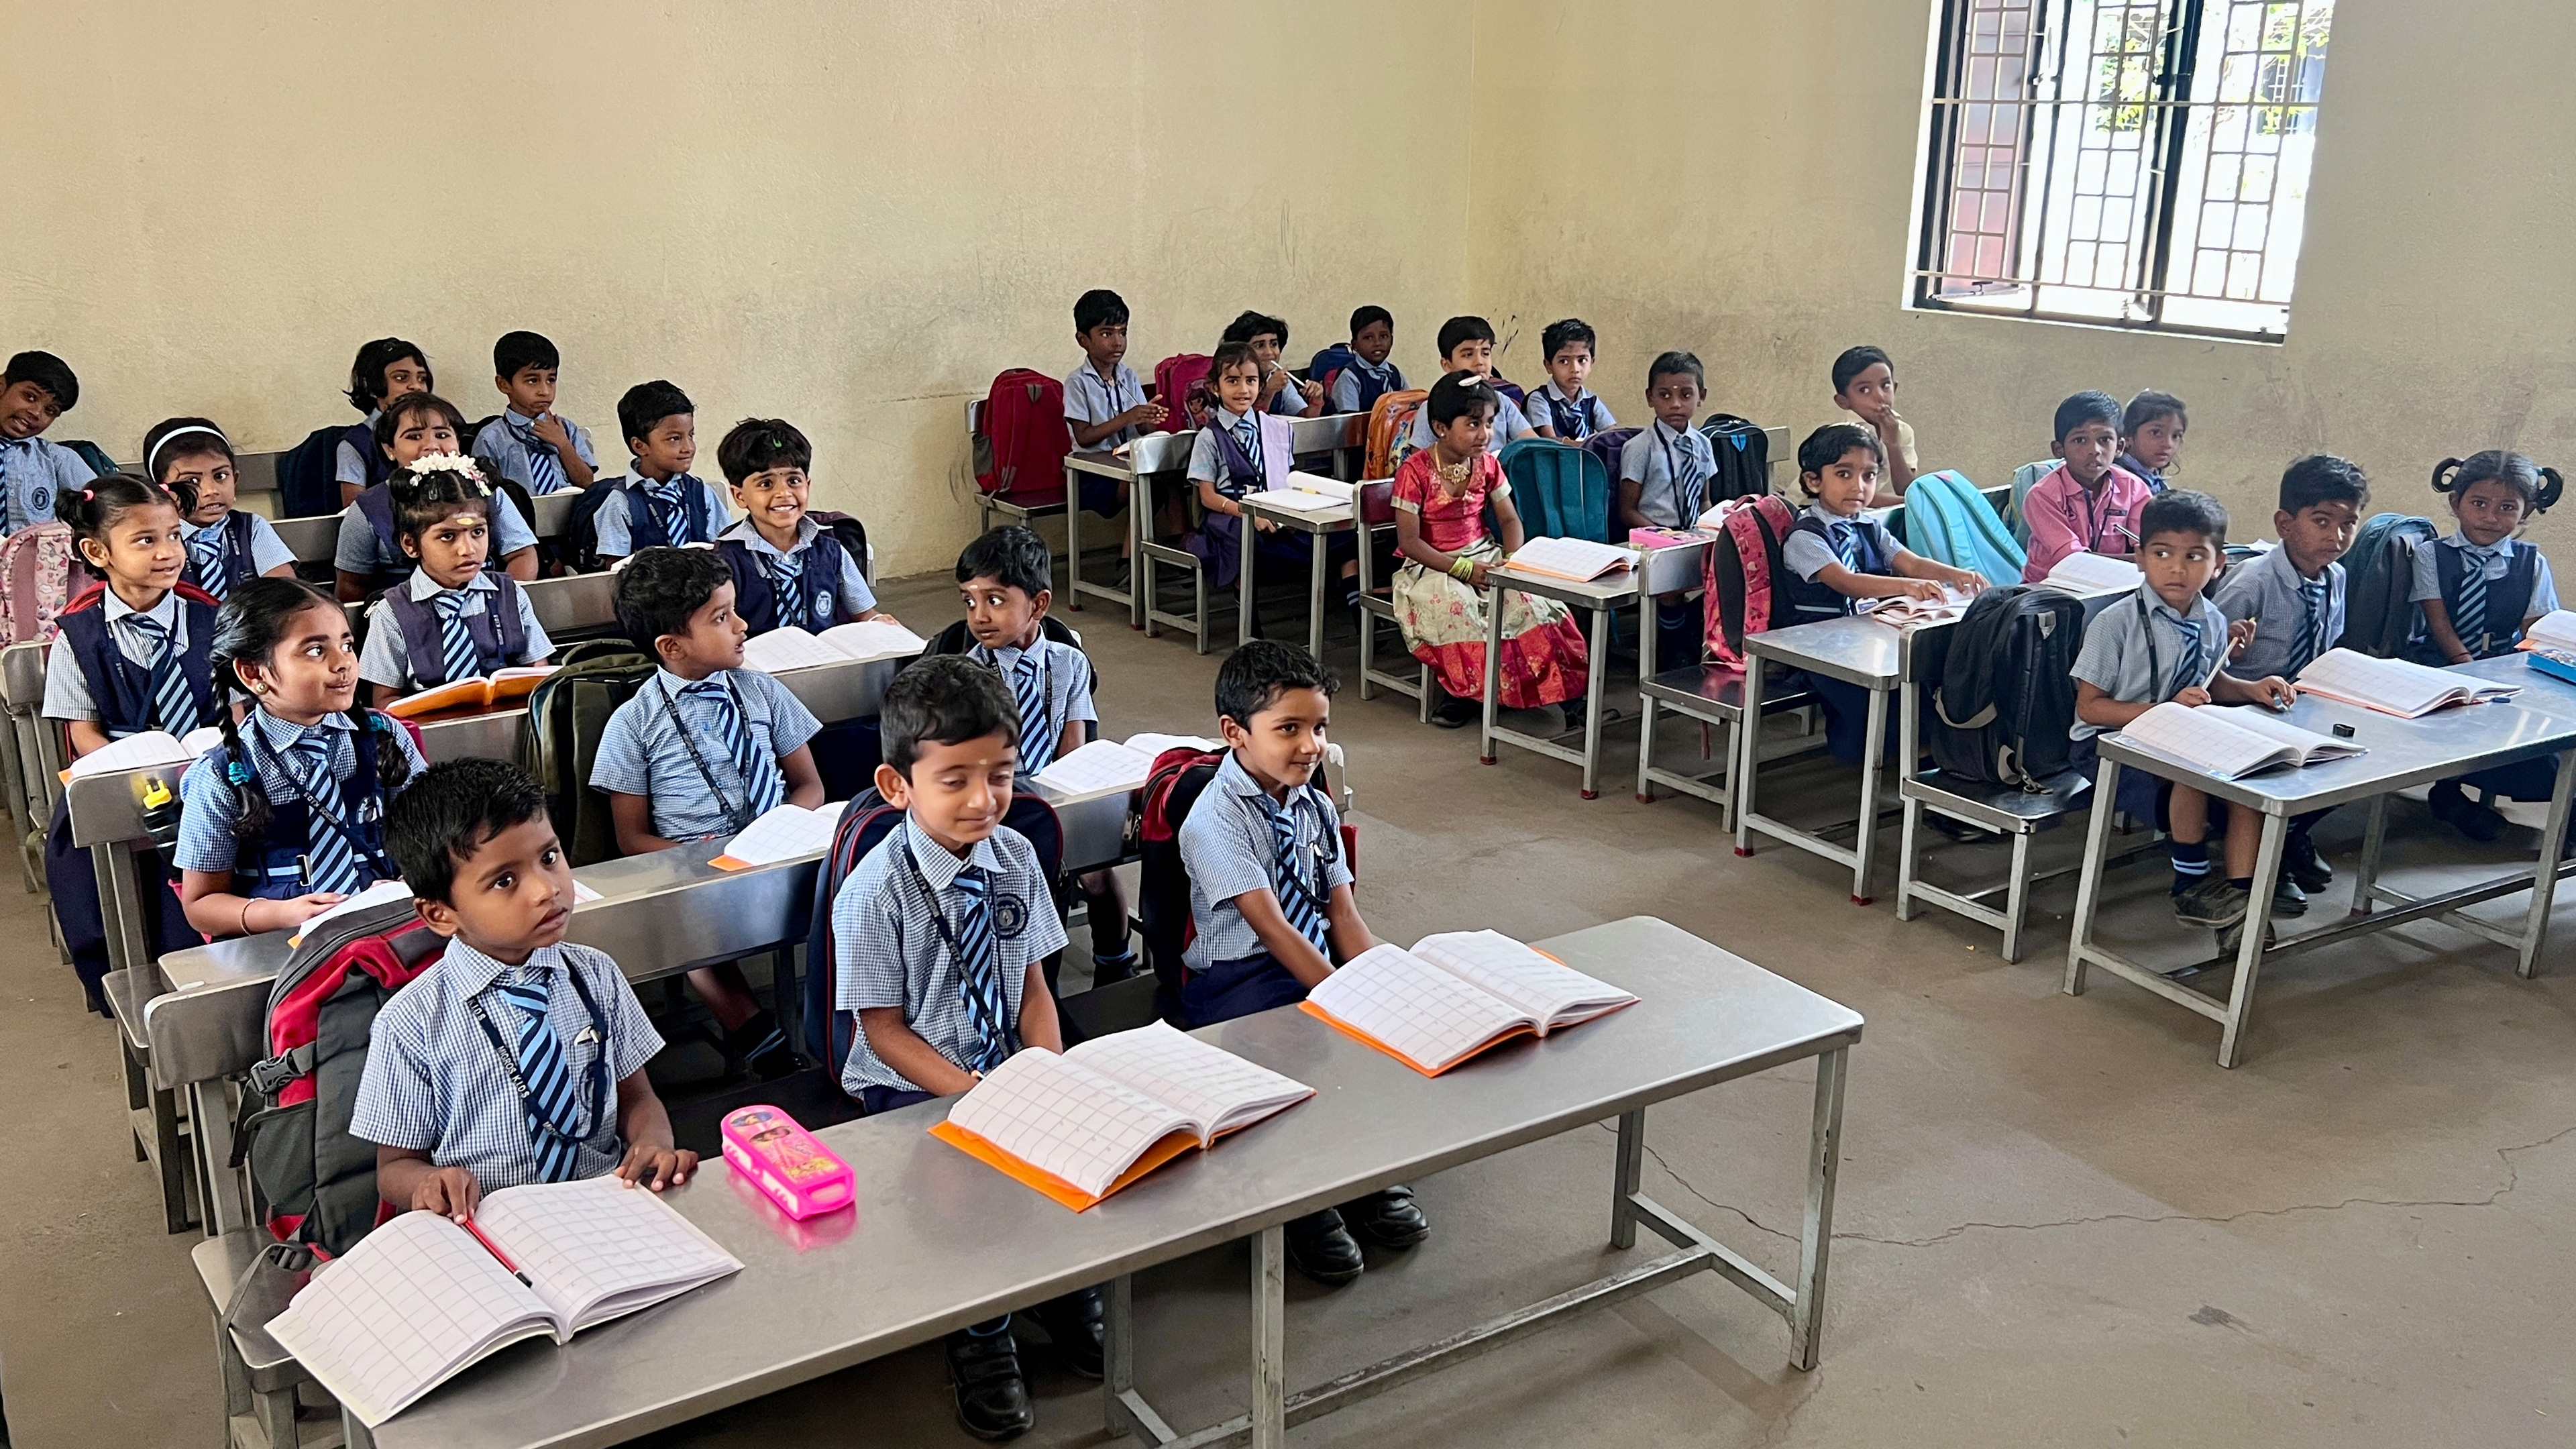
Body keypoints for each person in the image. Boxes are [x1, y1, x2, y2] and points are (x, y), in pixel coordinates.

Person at [831, 655, 1096, 1438]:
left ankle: (1059, 1282)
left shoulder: (1015, 858)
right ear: (897, 786)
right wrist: (981, 1099)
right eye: (956, 780)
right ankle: (981, 1330)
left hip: (1005, 1062)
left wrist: (1041, 1076)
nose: (985, 801)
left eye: (1002, 775)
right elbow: (880, 1030)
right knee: (963, 1190)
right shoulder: (874, 892)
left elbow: (1034, 990)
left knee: (1068, 1151)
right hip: (910, 1079)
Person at [1176, 642, 1428, 1285]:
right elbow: (1273, 927)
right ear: (1235, 734)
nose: (1311, 745)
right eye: (1288, 729)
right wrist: (1346, 1001)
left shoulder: (1313, 805)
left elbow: (1343, 916)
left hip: (1310, 960)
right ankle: (1296, 1202)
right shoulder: (1216, 818)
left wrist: (1381, 986)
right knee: (1296, 1053)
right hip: (1238, 981)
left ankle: (1358, 1173)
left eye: (1319, 727)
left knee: (1376, 1040)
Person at [352, 759, 692, 1218]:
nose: (545, 890)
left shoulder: (598, 976)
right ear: (440, 915)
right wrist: (429, 1183)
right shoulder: (409, 1023)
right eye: (505, 881)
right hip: (490, 1226)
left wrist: (653, 1141)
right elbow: (394, 1167)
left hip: (608, 1207)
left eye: (549, 858)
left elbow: (637, 1096)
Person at [590, 547, 817, 1077]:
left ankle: (847, 1017)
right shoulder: (633, 723)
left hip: (781, 846)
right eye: (721, 617)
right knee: (698, 938)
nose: (742, 625)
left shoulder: (763, 691)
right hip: (694, 868)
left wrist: (787, 825)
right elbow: (631, 838)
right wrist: (699, 858)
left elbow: (808, 784)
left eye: (733, 609)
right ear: (671, 646)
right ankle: (764, 1044)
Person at [2070, 490, 2297, 949]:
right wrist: (2166, 711)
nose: (2177, 568)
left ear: (2218, 566)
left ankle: (2240, 902)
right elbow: (2089, 708)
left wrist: (2249, 689)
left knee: (2247, 788)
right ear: (2140, 558)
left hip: (2178, 736)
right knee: (2193, 776)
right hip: (2110, 743)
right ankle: (2189, 884)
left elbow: (2209, 683)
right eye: (2162, 553)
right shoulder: (2113, 625)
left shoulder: (2211, 619)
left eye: (2195, 556)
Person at [42, 474, 218, 1010]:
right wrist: (143, 768)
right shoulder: (78, 636)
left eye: (175, 535)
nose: (168, 552)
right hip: (119, 778)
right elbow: (84, 735)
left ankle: (212, 981)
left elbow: (237, 711)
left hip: (208, 773)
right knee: (85, 866)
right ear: (97, 552)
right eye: (146, 540)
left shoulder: (213, 619)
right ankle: (131, 985)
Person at [172, 578, 427, 938]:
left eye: (347, 645)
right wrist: (284, 914)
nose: (344, 664)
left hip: (388, 927)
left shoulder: (385, 736)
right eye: (315, 651)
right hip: (284, 944)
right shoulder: (221, 775)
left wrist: (409, 883)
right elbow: (201, 905)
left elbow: (435, 838)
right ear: (253, 673)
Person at [953, 525, 1134, 979]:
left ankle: (1114, 959)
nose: (979, 616)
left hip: (1058, 790)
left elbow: (1075, 746)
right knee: (1031, 879)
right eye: (969, 601)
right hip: (1000, 803)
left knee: (1096, 872)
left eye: (995, 600)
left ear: (1038, 605)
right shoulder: (967, 675)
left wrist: (1069, 808)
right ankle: (1036, 982)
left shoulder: (1068, 663)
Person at [1389, 372, 1589, 728]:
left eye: (1490, 423)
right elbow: (1409, 542)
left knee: (1539, 606)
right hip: (1433, 565)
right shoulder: (1414, 470)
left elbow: (1511, 522)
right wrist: (1463, 570)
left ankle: (1571, 700)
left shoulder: (1488, 464)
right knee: (1460, 608)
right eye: (1473, 424)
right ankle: (1461, 696)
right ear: (1440, 427)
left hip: (1487, 555)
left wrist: (1512, 565)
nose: (1485, 434)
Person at [1777, 424, 1986, 763]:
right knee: (1867, 705)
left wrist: (1955, 574)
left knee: (1926, 669)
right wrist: (1906, 586)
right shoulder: (1806, 537)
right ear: (1814, 481)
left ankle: (1925, 747)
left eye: (1869, 476)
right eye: (1844, 474)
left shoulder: (1869, 526)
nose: (1859, 487)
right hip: (1819, 647)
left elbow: (1911, 563)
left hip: (1865, 636)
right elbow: (1846, 581)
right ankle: (1893, 754)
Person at [2214, 455, 2367, 907]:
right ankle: (2266, 859)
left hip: (2297, 703)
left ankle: (2292, 833)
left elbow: (2325, 649)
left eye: (2348, 524)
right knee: (2277, 770)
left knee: (2361, 758)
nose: (2336, 536)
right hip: (2237, 705)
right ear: (2285, 523)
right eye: (2322, 521)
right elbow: (2201, 661)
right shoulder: (2253, 581)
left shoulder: (2336, 577)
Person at [2410, 451, 2568, 843]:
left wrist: (2525, 677)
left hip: (2503, 666)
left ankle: (2566, 821)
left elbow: (2536, 630)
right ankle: (2449, 793)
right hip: (2443, 666)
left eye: (2506, 507)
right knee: (2459, 726)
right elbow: (2440, 625)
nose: (2490, 516)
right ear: (2456, 503)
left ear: (2526, 512)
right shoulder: (2432, 554)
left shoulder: (2532, 563)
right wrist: (2469, 670)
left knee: (2544, 748)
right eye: (2479, 503)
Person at [358, 458, 553, 706]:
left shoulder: (512, 595)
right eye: (448, 536)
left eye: (478, 532)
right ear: (411, 544)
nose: (467, 549)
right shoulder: (391, 613)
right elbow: (386, 701)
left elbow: (538, 675)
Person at [1185, 341, 1358, 602]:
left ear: (1260, 384)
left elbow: (1284, 481)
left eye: (1251, 381)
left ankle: (1357, 612)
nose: (1243, 390)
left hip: (1275, 509)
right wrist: (1251, 514)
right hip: (1231, 515)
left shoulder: (1276, 428)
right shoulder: (1209, 437)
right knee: (1245, 539)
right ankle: (1248, 623)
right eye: (1232, 381)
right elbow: (1207, 497)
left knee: (1344, 534)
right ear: (1215, 387)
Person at [335, 393, 540, 600]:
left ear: (458, 442)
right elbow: (352, 585)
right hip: (407, 618)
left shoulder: (486, 491)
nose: (431, 446)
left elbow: (522, 555)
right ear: (390, 449)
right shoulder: (368, 508)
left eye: (442, 435)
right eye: (414, 436)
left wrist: (502, 604)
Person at [1619, 351, 1721, 665]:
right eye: (1665, 395)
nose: (1675, 404)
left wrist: (1711, 528)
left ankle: (1697, 638)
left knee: (1728, 573)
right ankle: (1671, 649)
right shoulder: (1639, 448)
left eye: (1686, 394)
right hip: (1652, 536)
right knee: (1670, 583)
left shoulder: (1702, 444)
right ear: (1650, 398)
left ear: (1701, 396)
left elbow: (1705, 500)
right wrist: (1663, 537)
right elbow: (1627, 509)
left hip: (1691, 533)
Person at [142, 417, 297, 600]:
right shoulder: (153, 539)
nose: (211, 491)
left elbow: (286, 594)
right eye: (191, 481)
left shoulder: (251, 528)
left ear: (235, 479)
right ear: (162, 491)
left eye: (220, 476)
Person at [2020, 390, 2155, 582]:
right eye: (2080, 440)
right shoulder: (2043, 496)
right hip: (2049, 589)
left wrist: (2151, 557)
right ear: (2059, 449)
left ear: (2119, 447)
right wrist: (2143, 561)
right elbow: (2072, 560)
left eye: (2105, 439)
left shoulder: (2134, 489)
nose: (2094, 451)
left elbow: (2149, 546)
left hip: (2116, 583)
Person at [594, 380, 732, 561]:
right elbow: (614, 571)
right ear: (640, 446)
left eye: (690, 435)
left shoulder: (701, 492)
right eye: (675, 438)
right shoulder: (621, 502)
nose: (688, 447)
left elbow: (726, 549)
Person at [470, 330, 598, 494]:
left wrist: (563, 444)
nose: (545, 391)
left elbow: (587, 482)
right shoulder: (491, 438)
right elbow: (484, 493)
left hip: (573, 516)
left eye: (551, 380)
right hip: (518, 517)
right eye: (533, 380)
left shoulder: (566, 429)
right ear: (503, 384)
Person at [0, 350, 102, 534]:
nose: (36, 413)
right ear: (1, 386)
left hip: (36, 561)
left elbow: (107, 505)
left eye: (50, 410)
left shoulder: (58, 459)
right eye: (30, 397)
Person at [1407, 317, 1535, 449]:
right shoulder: (1432, 409)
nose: (1479, 361)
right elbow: (1419, 463)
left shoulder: (1503, 402)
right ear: (1447, 365)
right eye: (1468, 355)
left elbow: (1534, 445)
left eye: (1485, 353)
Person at [334, 338, 433, 504]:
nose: (416, 386)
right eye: (401, 378)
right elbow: (355, 511)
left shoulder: (437, 434)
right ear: (372, 386)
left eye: (422, 379)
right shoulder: (356, 444)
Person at [1829, 345, 1917, 497]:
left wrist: (1892, 444)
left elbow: (1906, 489)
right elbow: (1856, 494)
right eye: (1864, 390)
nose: (1880, 396)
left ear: (1895, 389)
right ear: (1843, 401)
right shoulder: (1842, 437)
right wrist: (1907, 505)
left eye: (1885, 386)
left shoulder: (1903, 431)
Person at [1524, 319, 1615, 441]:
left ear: (1591, 363)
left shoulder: (1591, 401)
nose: (1575, 369)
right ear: (1549, 366)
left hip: (1586, 459)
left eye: (1582, 360)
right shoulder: (1539, 400)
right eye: (1564, 361)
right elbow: (1551, 440)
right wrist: (1587, 447)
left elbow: (1613, 434)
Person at [1222, 310, 1326, 416]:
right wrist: (1269, 391)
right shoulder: (1233, 382)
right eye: (1260, 345)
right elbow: (1249, 423)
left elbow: (1304, 419)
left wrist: (1316, 401)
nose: (1269, 352)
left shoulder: (1282, 383)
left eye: (1274, 344)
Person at [1318, 305, 1404, 415]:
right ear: (1355, 345)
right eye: (1368, 338)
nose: (1377, 343)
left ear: (1392, 340)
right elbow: (1350, 422)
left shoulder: (1396, 375)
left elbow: (1408, 409)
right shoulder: (1350, 377)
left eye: (1384, 336)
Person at [2119, 389, 2187, 494]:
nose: (2168, 444)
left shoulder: (2157, 483)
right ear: (2127, 436)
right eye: (2156, 433)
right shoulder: (2117, 483)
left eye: (2176, 436)